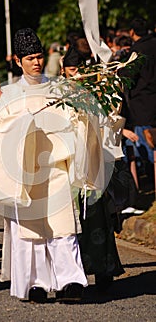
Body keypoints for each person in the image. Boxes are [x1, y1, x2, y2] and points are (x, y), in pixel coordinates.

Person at [0, 28, 89, 303]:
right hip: (25, 171)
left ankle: (70, 282)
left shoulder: (57, 89)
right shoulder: (10, 94)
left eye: (39, 57)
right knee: (31, 231)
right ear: (18, 61)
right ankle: (36, 283)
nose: (36, 62)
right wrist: (20, 129)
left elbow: (75, 119)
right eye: (29, 58)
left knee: (63, 226)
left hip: (55, 167)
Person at [61, 45, 125, 291]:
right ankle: (75, 274)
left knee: (98, 216)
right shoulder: (59, 94)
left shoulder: (98, 92)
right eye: (71, 69)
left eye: (79, 69)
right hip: (70, 164)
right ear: (64, 71)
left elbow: (112, 116)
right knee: (73, 222)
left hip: (95, 162)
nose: (75, 73)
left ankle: (104, 270)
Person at [118, 17, 156, 191]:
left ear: (132, 32)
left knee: (149, 148)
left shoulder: (138, 51)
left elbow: (128, 74)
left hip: (143, 104)